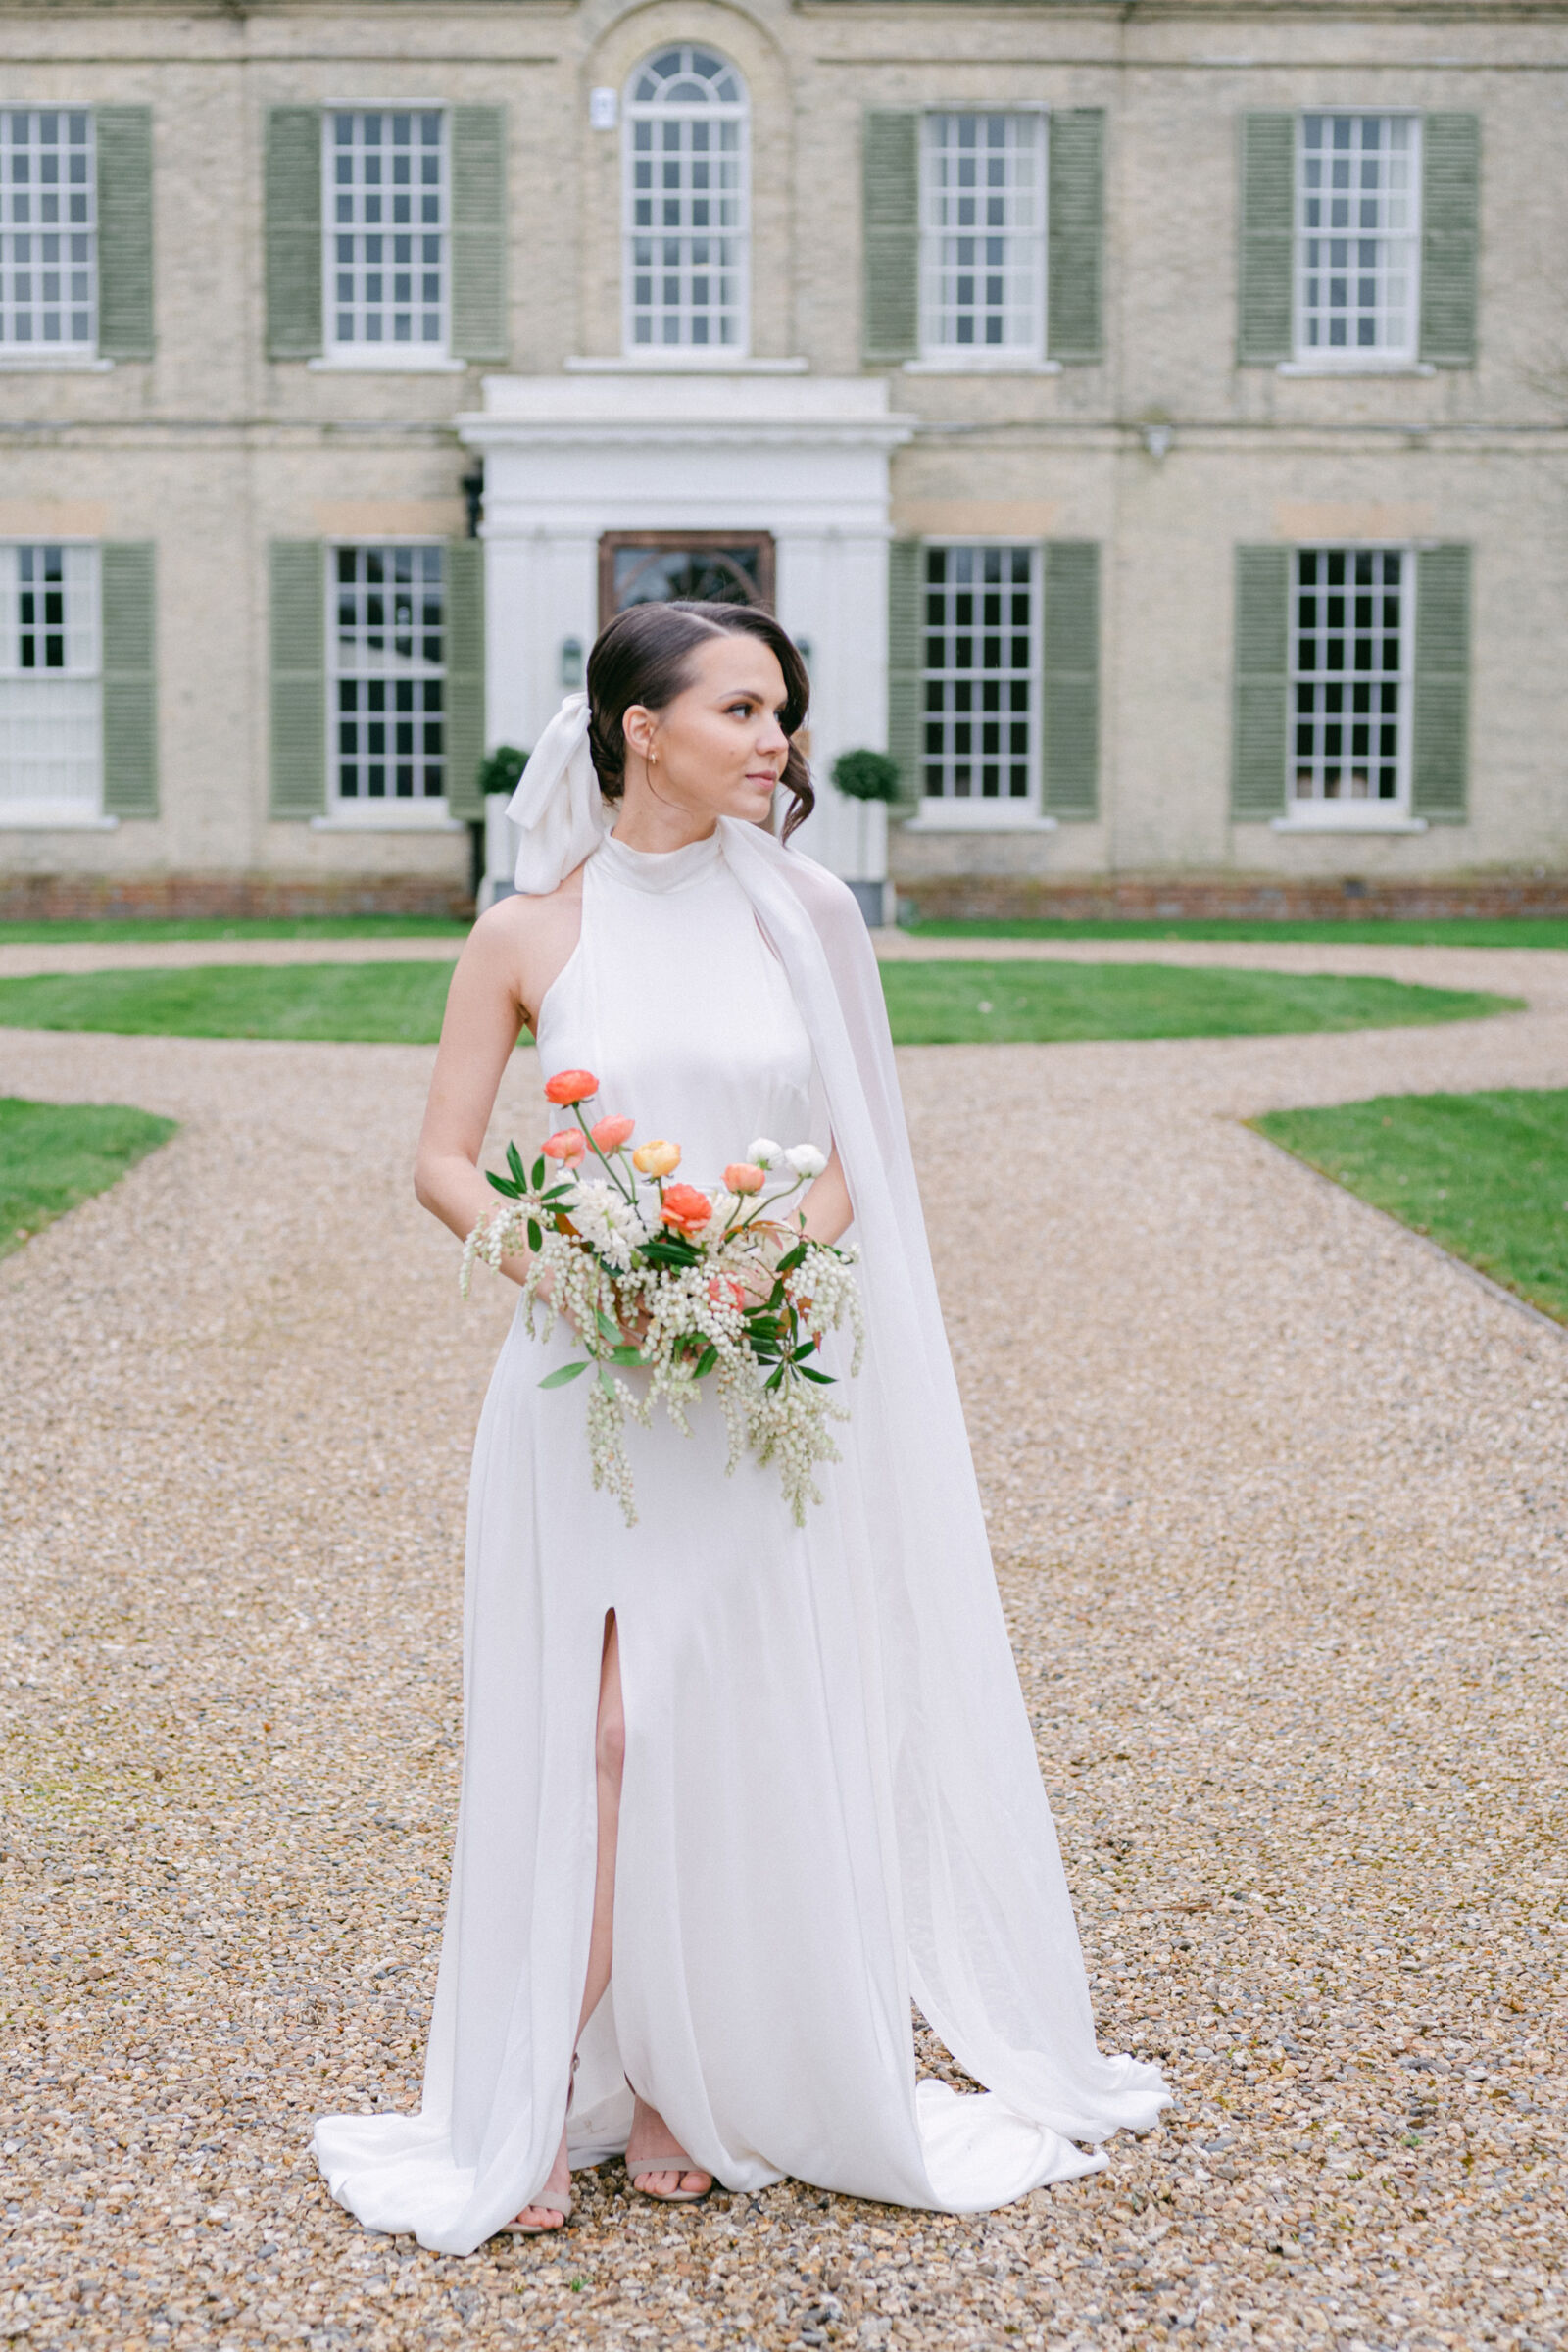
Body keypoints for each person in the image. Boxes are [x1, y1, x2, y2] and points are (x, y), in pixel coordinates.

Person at [311, 601, 1168, 2254]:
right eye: (744, 707)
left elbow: (863, 1154)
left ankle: (679, 2090)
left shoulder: (811, 916)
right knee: (606, 1734)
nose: (780, 740)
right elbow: (440, 1159)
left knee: (742, 1722)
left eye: (783, 711)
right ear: (642, 728)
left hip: (768, 1382)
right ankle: (542, 2088)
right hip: (592, 1393)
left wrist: (762, 1258)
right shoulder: (525, 936)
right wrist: (570, 1271)